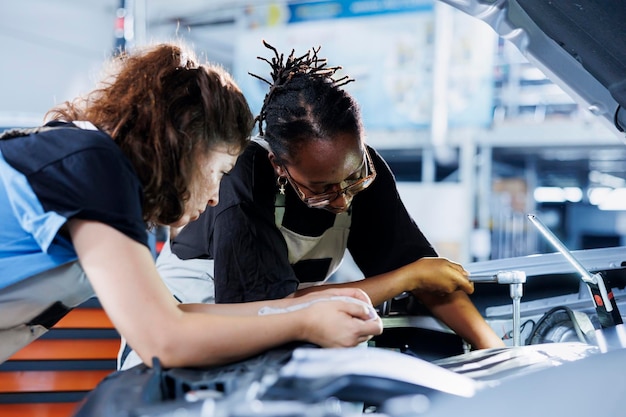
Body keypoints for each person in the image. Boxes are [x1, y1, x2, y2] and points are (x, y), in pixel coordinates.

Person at [0, 42, 383, 368]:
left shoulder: (96, 175)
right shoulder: (93, 162)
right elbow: (163, 338)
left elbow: (175, 316)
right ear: (186, 145)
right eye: (219, 170)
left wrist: (302, 312)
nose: (217, 196)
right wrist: (302, 324)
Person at [152, 41, 505, 356]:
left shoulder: (361, 174)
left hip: (276, 336)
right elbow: (269, 309)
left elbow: (429, 279)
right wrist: (406, 279)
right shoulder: (242, 182)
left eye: (353, 177)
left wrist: (496, 352)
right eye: (321, 188)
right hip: (187, 339)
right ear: (279, 165)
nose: (342, 201)